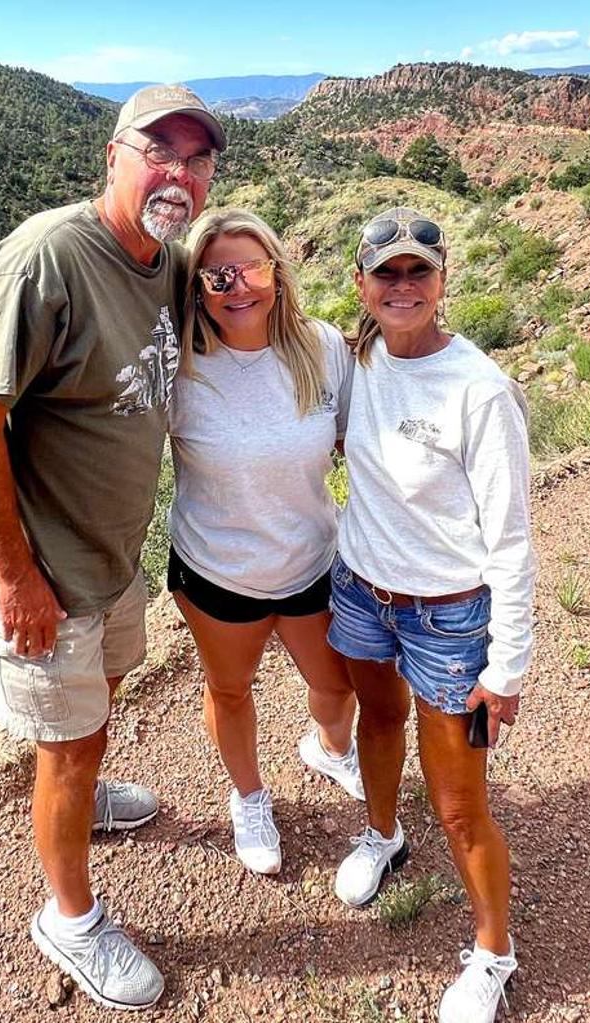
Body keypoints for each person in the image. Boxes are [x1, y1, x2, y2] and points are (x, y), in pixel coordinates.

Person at [0, 83, 225, 1012]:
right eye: (159, 151)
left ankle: (83, 795)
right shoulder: (48, 258)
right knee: (65, 744)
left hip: (106, 557)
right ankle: (70, 919)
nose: (178, 173)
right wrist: (17, 578)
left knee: (92, 710)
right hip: (42, 574)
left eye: (196, 158)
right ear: (113, 157)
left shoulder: (166, 262)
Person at [324, 207, 535, 1023]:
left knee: (458, 803)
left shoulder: (479, 389)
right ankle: (382, 835)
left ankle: (493, 952)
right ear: (363, 285)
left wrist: (506, 665)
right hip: (361, 592)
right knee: (378, 721)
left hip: (450, 619)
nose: (403, 286)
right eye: (388, 273)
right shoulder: (358, 361)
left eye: (419, 271)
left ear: (443, 281)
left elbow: (511, 540)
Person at [167, 209, 364, 877]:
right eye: (216, 275)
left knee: (337, 684)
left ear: (277, 273)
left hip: (312, 558)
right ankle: (249, 796)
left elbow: (359, 441)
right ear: (197, 289)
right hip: (217, 569)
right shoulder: (180, 366)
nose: (237, 287)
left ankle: (331, 750)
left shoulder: (321, 347)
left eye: (251, 268)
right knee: (229, 690)